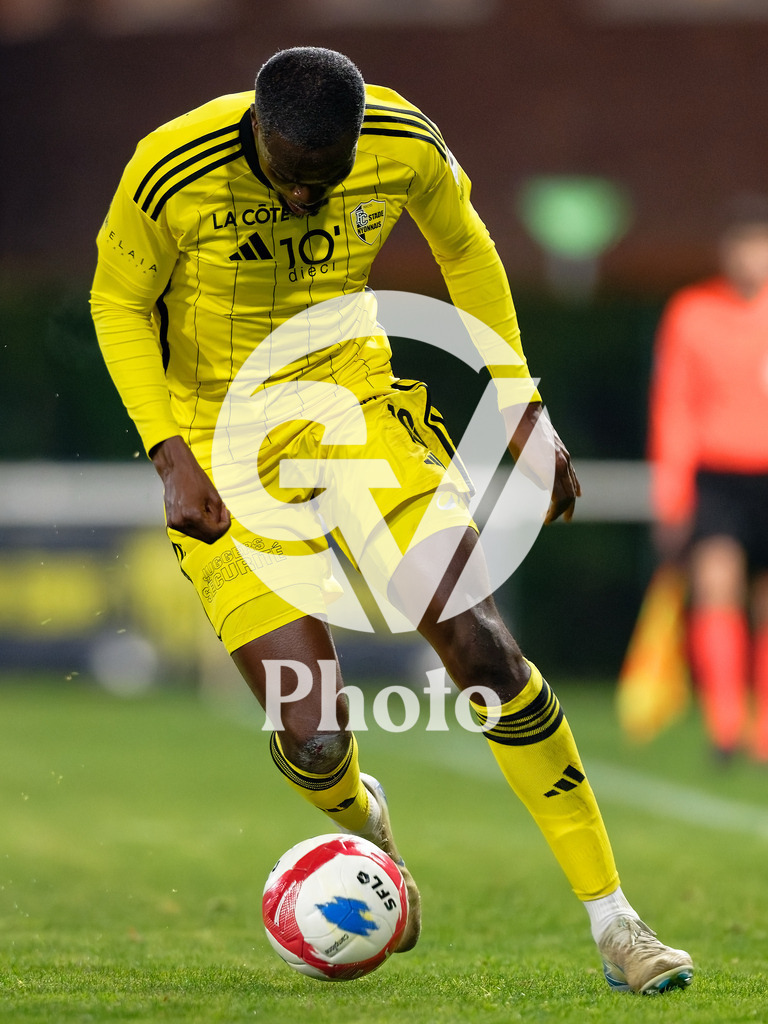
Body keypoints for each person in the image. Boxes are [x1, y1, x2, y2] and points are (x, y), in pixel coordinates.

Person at [91, 46, 693, 993]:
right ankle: (363, 817)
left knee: (482, 647)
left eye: (325, 185)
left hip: (359, 410)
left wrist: (520, 405)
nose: (305, 202)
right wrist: (171, 457)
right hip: (220, 440)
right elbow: (117, 301)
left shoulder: (403, 139)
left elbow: (466, 246)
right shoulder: (170, 166)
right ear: (256, 130)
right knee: (314, 728)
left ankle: (617, 922)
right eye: (292, 179)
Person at [649, 195, 768, 763]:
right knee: (716, 586)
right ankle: (725, 726)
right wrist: (671, 495)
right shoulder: (693, 312)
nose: (753, 257)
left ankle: (764, 731)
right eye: (744, 244)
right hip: (719, 476)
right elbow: (674, 407)